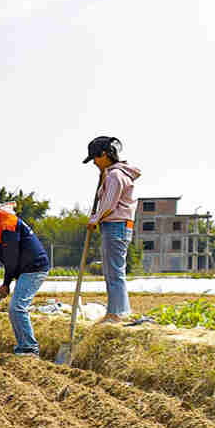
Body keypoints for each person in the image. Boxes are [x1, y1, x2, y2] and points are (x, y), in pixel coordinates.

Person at [0, 195, 52, 356]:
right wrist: (9, 280)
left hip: (34, 267)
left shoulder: (7, 224)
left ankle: (29, 349)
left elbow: (11, 257)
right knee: (15, 309)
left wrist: (6, 283)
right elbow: (8, 258)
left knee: (17, 308)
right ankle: (24, 348)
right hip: (24, 268)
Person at [84, 135, 140, 324]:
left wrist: (95, 219)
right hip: (118, 226)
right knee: (113, 271)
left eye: (95, 158)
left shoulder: (116, 175)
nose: (94, 163)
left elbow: (109, 203)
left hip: (115, 225)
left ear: (105, 155)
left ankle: (116, 314)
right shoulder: (113, 173)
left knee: (114, 272)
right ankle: (118, 310)